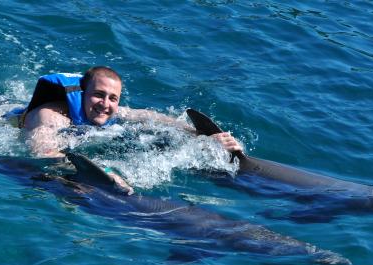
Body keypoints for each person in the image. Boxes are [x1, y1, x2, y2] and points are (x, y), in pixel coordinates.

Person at [16, 66, 242, 194]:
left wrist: (207, 137)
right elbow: (44, 154)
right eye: (98, 95)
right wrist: (103, 172)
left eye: (113, 98)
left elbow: (156, 118)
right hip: (1, 117)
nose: (105, 104)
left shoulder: (114, 114)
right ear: (83, 92)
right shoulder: (51, 117)